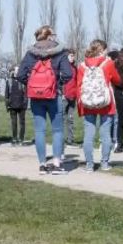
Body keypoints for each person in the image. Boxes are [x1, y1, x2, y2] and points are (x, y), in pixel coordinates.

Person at [17, 26, 73, 175]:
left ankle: (42, 165)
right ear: (49, 36)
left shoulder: (30, 53)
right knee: (57, 130)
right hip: (54, 96)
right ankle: (56, 164)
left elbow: (21, 75)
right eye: (53, 34)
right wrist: (57, 84)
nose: (55, 36)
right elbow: (68, 74)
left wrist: (32, 85)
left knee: (39, 130)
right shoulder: (60, 52)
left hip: (36, 97)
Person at [74, 40, 122, 172]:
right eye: (106, 49)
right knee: (105, 134)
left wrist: (80, 104)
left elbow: (78, 86)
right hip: (106, 103)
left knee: (88, 135)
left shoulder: (82, 65)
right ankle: (104, 163)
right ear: (102, 50)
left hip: (88, 103)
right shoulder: (108, 63)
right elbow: (118, 80)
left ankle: (89, 165)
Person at [5, 68, 28, 146]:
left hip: (22, 105)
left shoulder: (24, 81)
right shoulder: (9, 81)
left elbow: (26, 94)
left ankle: (21, 139)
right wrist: (7, 105)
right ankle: (14, 138)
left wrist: (25, 104)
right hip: (12, 105)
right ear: (13, 71)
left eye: (19, 70)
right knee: (14, 123)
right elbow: (6, 94)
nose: (17, 71)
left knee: (22, 123)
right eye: (16, 70)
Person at [63, 50, 79, 146]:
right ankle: (61, 139)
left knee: (71, 118)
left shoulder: (75, 68)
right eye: (71, 56)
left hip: (73, 96)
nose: (73, 57)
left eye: (73, 56)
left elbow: (76, 81)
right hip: (65, 96)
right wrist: (62, 93)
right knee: (62, 118)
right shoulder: (63, 68)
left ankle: (70, 139)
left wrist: (76, 94)